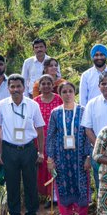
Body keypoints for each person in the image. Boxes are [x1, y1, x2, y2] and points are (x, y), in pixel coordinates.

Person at [0, 74, 47, 215]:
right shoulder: (1, 105)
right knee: (12, 184)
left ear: (24, 88)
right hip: (9, 149)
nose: (15, 89)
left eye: (18, 86)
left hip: (28, 149)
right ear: (8, 88)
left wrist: (41, 152)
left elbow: (40, 128)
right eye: (12, 86)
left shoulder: (32, 105)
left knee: (31, 184)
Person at [46, 80, 93, 215]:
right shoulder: (56, 113)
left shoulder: (83, 110)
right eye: (64, 92)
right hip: (61, 158)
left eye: (70, 91)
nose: (67, 94)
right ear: (60, 94)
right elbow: (51, 136)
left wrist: (88, 156)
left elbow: (87, 134)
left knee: (81, 188)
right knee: (63, 187)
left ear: (75, 93)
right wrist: (51, 158)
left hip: (79, 157)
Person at [34, 74, 63, 205]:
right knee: (42, 167)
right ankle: (43, 194)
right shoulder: (35, 102)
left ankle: (55, 195)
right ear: (39, 86)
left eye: (48, 83)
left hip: (56, 139)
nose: (46, 86)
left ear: (53, 85)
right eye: (43, 83)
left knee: (54, 166)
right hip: (39, 138)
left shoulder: (59, 100)